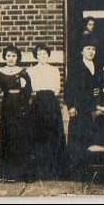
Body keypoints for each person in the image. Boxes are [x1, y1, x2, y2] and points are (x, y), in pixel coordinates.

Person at [0, 45, 33, 181]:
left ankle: (22, 173)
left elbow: (28, 92)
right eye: (9, 55)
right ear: (5, 57)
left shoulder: (23, 72)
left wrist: (23, 90)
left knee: (21, 137)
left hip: (20, 107)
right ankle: (6, 174)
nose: (11, 58)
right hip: (7, 106)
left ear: (18, 57)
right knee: (7, 137)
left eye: (14, 56)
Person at [64, 35, 102, 172]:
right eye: (88, 49)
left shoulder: (97, 66)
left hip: (93, 106)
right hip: (79, 106)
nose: (91, 52)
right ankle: (76, 170)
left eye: (93, 49)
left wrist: (99, 91)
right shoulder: (76, 67)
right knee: (78, 136)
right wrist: (71, 106)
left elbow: (100, 84)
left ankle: (90, 168)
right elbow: (68, 88)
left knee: (91, 135)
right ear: (82, 51)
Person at [26, 44, 65, 179]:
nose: (42, 56)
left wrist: (48, 96)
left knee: (53, 135)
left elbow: (57, 88)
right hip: (37, 103)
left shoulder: (54, 70)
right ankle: (39, 171)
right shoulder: (30, 71)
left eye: (44, 54)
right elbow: (30, 89)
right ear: (36, 56)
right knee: (38, 135)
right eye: (39, 54)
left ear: (48, 55)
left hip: (51, 103)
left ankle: (53, 170)